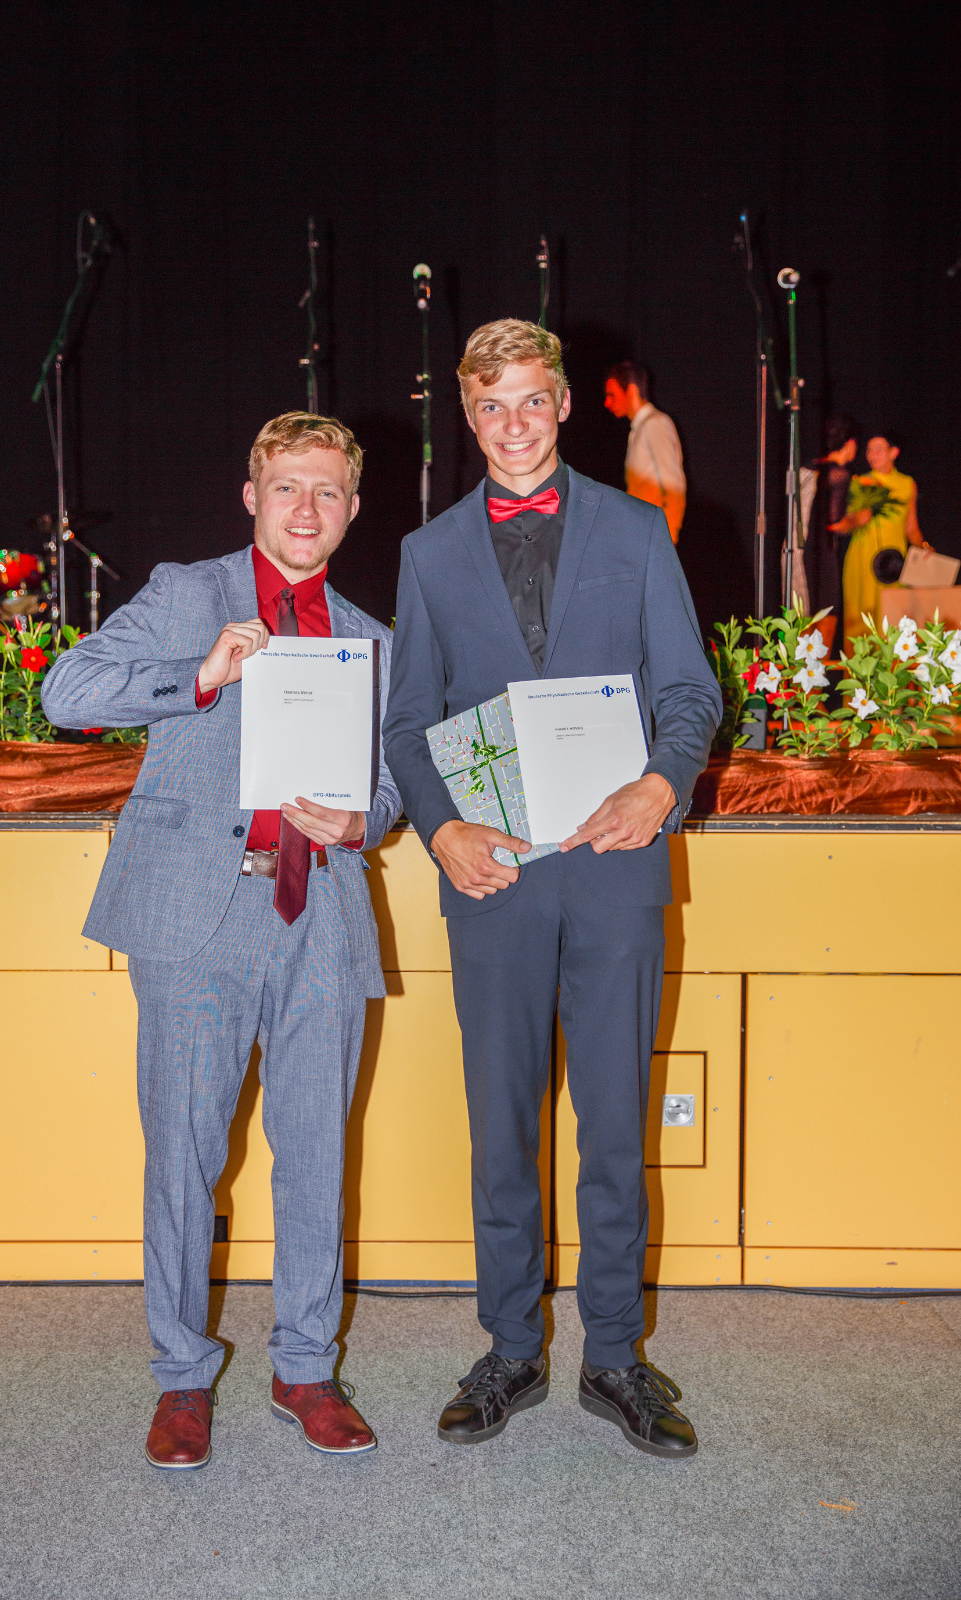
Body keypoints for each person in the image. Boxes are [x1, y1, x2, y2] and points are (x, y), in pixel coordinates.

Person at [384, 320, 721, 1458]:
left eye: (532, 400)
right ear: (467, 416)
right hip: (493, 880)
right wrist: (440, 831)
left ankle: (615, 1355)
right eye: (492, 406)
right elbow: (406, 725)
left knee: (614, 1128)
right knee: (500, 1131)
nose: (514, 424)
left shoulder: (636, 528)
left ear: (566, 404)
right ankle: (511, 1347)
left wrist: (659, 786)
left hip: (618, 870)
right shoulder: (428, 552)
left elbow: (688, 693)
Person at [41, 412, 400, 1469]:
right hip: (194, 915)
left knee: (316, 1152)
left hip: (319, 914)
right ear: (251, 495)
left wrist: (364, 819)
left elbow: (391, 783)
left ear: (352, 509)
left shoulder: (372, 638)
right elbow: (66, 694)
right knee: (184, 1155)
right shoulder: (186, 594)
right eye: (287, 486)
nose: (305, 508)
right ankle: (181, 1377)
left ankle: (305, 1368)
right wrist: (201, 674)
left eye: (327, 491)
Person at [830, 430, 929, 647]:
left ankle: (892, 668)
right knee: (861, 624)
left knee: (893, 622)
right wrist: (857, 519)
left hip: (893, 563)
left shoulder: (906, 483)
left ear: (894, 452)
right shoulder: (859, 482)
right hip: (862, 560)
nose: (872, 455)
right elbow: (842, 523)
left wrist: (924, 547)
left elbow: (911, 527)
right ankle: (859, 669)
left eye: (878, 449)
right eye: (869, 450)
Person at [603, 360, 687, 542]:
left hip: (651, 538)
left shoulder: (655, 424)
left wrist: (666, 542)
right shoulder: (639, 429)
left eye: (612, 395)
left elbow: (674, 488)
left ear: (631, 391)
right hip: (640, 534)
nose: (607, 402)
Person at [804, 415, 859, 642]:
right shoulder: (839, 474)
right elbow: (834, 523)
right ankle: (818, 663)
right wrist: (857, 520)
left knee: (804, 612)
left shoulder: (811, 467)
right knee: (827, 613)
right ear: (850, 444)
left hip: (800, 548)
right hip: (822, 551)